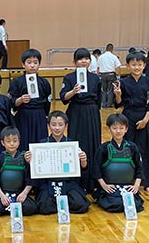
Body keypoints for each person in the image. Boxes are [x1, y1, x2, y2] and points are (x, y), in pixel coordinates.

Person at [25, 110, 90, 214]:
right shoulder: (41, 144)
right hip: (48, 183)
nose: (57, 128)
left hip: (68, 183)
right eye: (53, 124)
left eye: (60, 124)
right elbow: (35, 169)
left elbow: (83, 168)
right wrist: (29, 161)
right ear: (48, 125)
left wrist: (84, 160)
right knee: (43, 207)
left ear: (66, 125)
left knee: (80, 204)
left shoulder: (71, 144)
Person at [113, 52, 149, 192]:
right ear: (128, 65)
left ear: (144, 65)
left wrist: (145, 119)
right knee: (128, 149)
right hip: (128, 117)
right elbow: (119, 104)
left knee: (147, 149)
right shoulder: (124, 82)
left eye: (139, 64)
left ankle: (147, 181)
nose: (136, 67)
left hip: (145, 116)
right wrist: (118, 94)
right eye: (133, 64)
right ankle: (128, 179)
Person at [60, 48, 102, 192]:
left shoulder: (96, 78)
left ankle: (93, 181)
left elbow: (99, 101)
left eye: (86, 58)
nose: (83, 61)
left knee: (93, 143)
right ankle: (76, 182)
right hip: (76, 111)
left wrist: (93, 111)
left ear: (90, 61)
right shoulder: (69, 78)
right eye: (80, 59)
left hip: (91, 112)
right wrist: (73, 91)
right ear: (74, 62)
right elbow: (63, 98)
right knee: (75, 142)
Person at [92, 113, 144, 212]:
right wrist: (104, 185)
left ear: (126, 129)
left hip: (128, 186)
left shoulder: (132, 147)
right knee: (115, 204)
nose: (118, 131)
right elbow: (96, 169)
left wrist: (136, 185)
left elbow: (139, 168)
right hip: (110, 187)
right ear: (108, 128)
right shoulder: (103, 148)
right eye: (114, 128)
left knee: (135, 205)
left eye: (121, 128)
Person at [0, 126, 37, 216]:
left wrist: (24, 194)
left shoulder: (25, 158)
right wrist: (2, 196)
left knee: (30, 208)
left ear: (19, 142)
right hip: (3, 193)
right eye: (8, 141)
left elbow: (30, 179)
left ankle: (9, 208)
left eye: (15, 141)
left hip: (19, 194)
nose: (12, 144)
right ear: (2, 143)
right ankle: (11, 207)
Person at [8, 49, 51, 151]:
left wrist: (44, 115)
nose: (32, 65)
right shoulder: (17, 82)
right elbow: (11, 101)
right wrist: (20, 100)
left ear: (39, 64)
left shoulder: (44, 82)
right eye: (29, 62)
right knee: (23, 142)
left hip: (39, 115)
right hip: (23, 115)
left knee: (40, 142)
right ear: (23, 65)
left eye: (35, 63)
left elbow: (48, 101)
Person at [97, 43, 121, 108]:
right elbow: (118, 66)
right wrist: (118, 75)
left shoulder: (101, 57)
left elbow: (98, 68)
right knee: (110, 90)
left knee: (103, 90)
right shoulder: (114, 57)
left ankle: (103, 104)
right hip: (111, 74)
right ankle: (109, 104)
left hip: (102, 75)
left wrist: (98, 75)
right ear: (112, 49)